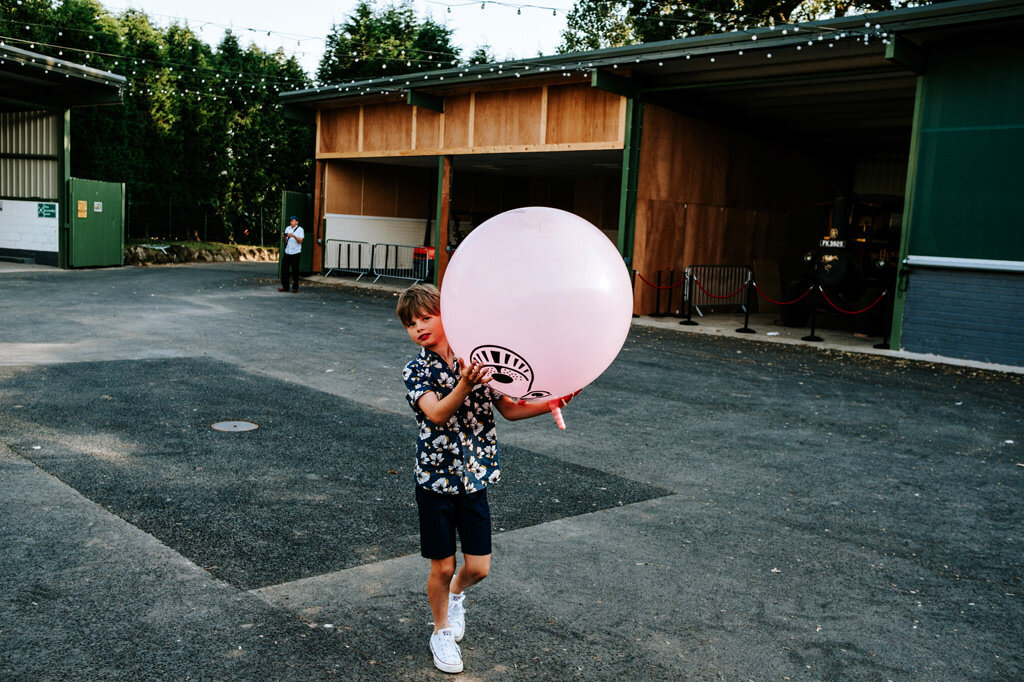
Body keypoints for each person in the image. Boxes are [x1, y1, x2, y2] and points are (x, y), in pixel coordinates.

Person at [396, 283, 575, 674]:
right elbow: (437, 413)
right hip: (435, 481)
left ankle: (457, 596)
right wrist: (466, 382)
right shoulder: (415, 371)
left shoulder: (480, 358)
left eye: (427, 317)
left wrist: (553, 402)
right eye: (411, 324)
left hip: (474, 479)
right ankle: (441, 631)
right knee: (441, 567)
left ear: (447, 314)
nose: (420, 327)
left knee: (477, 568)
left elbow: (509, 410)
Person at [280, 216, 304, 293]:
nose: (292, 223)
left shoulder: (300, 230)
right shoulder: (288, 228)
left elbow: (300, 241)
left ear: (297, 222)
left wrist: (293, 236)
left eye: (293, 221)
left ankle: (295, 287)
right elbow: (285, 241)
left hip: (296, 252)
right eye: (291, 221)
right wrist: (284, 237)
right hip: (288, 251)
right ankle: (285, 286)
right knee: (284, 270)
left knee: (295, 270)